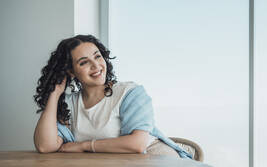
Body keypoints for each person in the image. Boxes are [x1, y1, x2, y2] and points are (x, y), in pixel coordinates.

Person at [34, 34, 191, 159]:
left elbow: (137, 144)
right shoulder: (69, 104)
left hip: (156, 160)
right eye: (84, 62)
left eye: (97, 56)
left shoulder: (129, 93)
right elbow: (45, 146)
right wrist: (54, 94)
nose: (96, 66)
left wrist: (83, 146)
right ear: (71, 72)